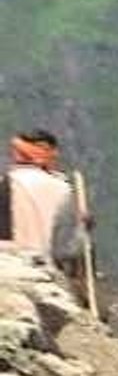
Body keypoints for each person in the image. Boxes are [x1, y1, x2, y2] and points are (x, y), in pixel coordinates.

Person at [1, 129, 96, 309]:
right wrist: (84, 229)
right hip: (43, 276)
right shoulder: (64, 190)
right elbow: (67, 250)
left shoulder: (4, 182)